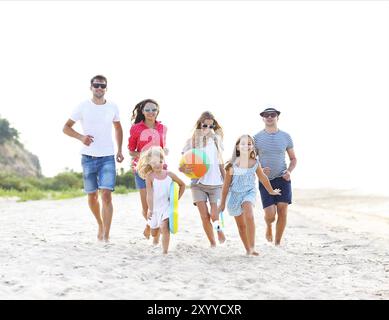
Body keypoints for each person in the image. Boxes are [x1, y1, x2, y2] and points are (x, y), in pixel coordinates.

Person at [63, 75, 124, 242]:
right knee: (92, 196)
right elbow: (66, 128)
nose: (99, 88)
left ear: (106, 88)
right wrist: (81, 137)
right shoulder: (83, 106)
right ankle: (100, 224)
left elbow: (118, 128)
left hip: (107, 157)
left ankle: (106, 234)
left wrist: (119, 150)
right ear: (91, 87)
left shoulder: (112, 106)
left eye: (102, 86)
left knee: (106, 195)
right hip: (88, 157)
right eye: (96, 85)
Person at [218, 135, 281, 256]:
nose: (246, 146)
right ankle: (248, 249)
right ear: (237, 147)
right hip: (234, 195)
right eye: (243, 144)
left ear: (253, 147)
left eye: (249, 144)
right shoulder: (231, 165)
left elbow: (263, 178)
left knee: (249, 214)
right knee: (241, 226)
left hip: (249, 192)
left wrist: (271, 191)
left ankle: (252, 247)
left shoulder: (255, 163)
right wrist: (222, 204)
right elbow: (226, 186)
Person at [180, 111, 226, 247]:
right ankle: (212, 243)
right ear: (199, 125)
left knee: (214, 214)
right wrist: (184, 169)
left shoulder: (217, 140)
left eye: (211, 126)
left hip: (216, 183)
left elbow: (220, 162)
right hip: (197, 184)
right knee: (204, 215)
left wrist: (226, 182)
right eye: (204, 125)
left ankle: (218, 230)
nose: (207, 129)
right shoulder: (191, 142)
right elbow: (182, 165)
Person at [253, 107, 297, 246]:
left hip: (283, 178)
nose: (269, 117)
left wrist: (289, 171)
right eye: (266, 115)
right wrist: (259, 170)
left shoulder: (286, 136)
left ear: (278, 117)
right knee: (270, 215)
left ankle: (277, 243)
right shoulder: (256, 138)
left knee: (283, 210)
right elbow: (251, 160)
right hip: (265, 180)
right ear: (263, 118)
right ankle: (269, 226)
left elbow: (293, 159)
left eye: (272, 115)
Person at [128, 99, 168, 243]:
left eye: (154, 109)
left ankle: (152, 230)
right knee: (147, 206)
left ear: (158, 111)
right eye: (147, 110)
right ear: (142, 112)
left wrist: (164, 152)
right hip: (142, 169)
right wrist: (146, 156)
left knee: (160, 203)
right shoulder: (136, 128)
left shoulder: (163, 128)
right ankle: (152, 228)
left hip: (160, 169)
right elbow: (131, 151)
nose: (151, 112)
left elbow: (162, 149)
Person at [137, 147, 185, 254]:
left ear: (163, 161)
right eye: (154, 162)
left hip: (166, 207)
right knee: (154, 234)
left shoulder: (169, 175)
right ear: (149, 163)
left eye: (160, 161)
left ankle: (165, 252)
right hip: (155, 208)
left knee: (164, 227)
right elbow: (149, 194)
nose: (157, 164)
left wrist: (175, 200)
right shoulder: (150, 177)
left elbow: (182, 185)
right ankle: (149, 226)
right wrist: (150, 209)